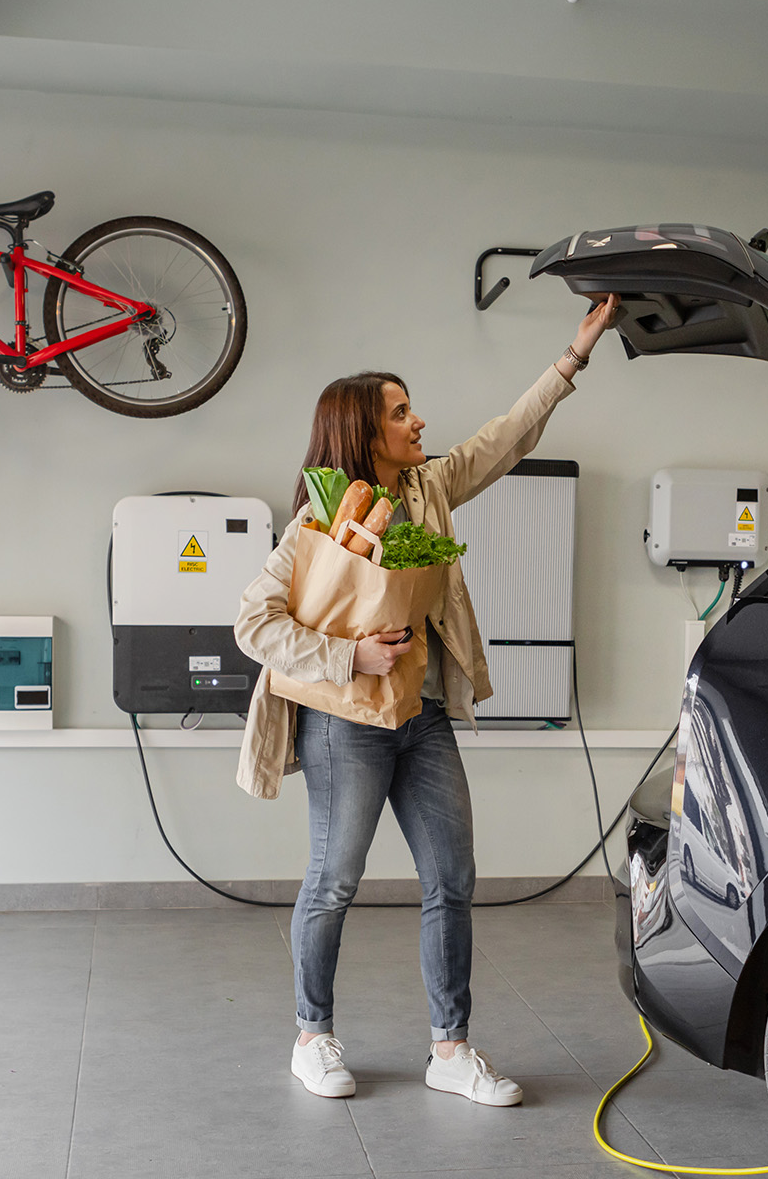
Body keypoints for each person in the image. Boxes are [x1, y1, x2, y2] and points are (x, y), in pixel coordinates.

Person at [235, 294, 623, 1107]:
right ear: (363, 434)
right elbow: (253, 623)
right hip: (345, 725)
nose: (419, 423)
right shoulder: (315, 521)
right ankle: (313, 1036)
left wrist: (573, 356)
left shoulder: (429, 489)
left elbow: (504, 437)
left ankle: (450, 1048)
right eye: (402, 413)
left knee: (452, 876)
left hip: (424, 717)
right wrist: (351, 652)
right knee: (333, 880)